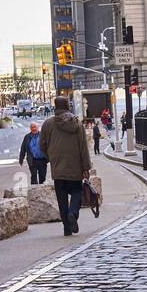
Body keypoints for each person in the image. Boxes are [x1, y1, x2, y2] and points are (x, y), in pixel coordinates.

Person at [40, 96, 92, 236]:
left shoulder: (47, 124)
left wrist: (51, 157)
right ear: (67, 106)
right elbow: (83, 147)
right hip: (75, 167)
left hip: (58, 169)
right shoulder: (77, 124)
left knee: (61, 198)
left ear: (55, 107)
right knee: (77, 192)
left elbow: (42, 146)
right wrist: (86, 167)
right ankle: (73, 213)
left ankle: (66, 228)